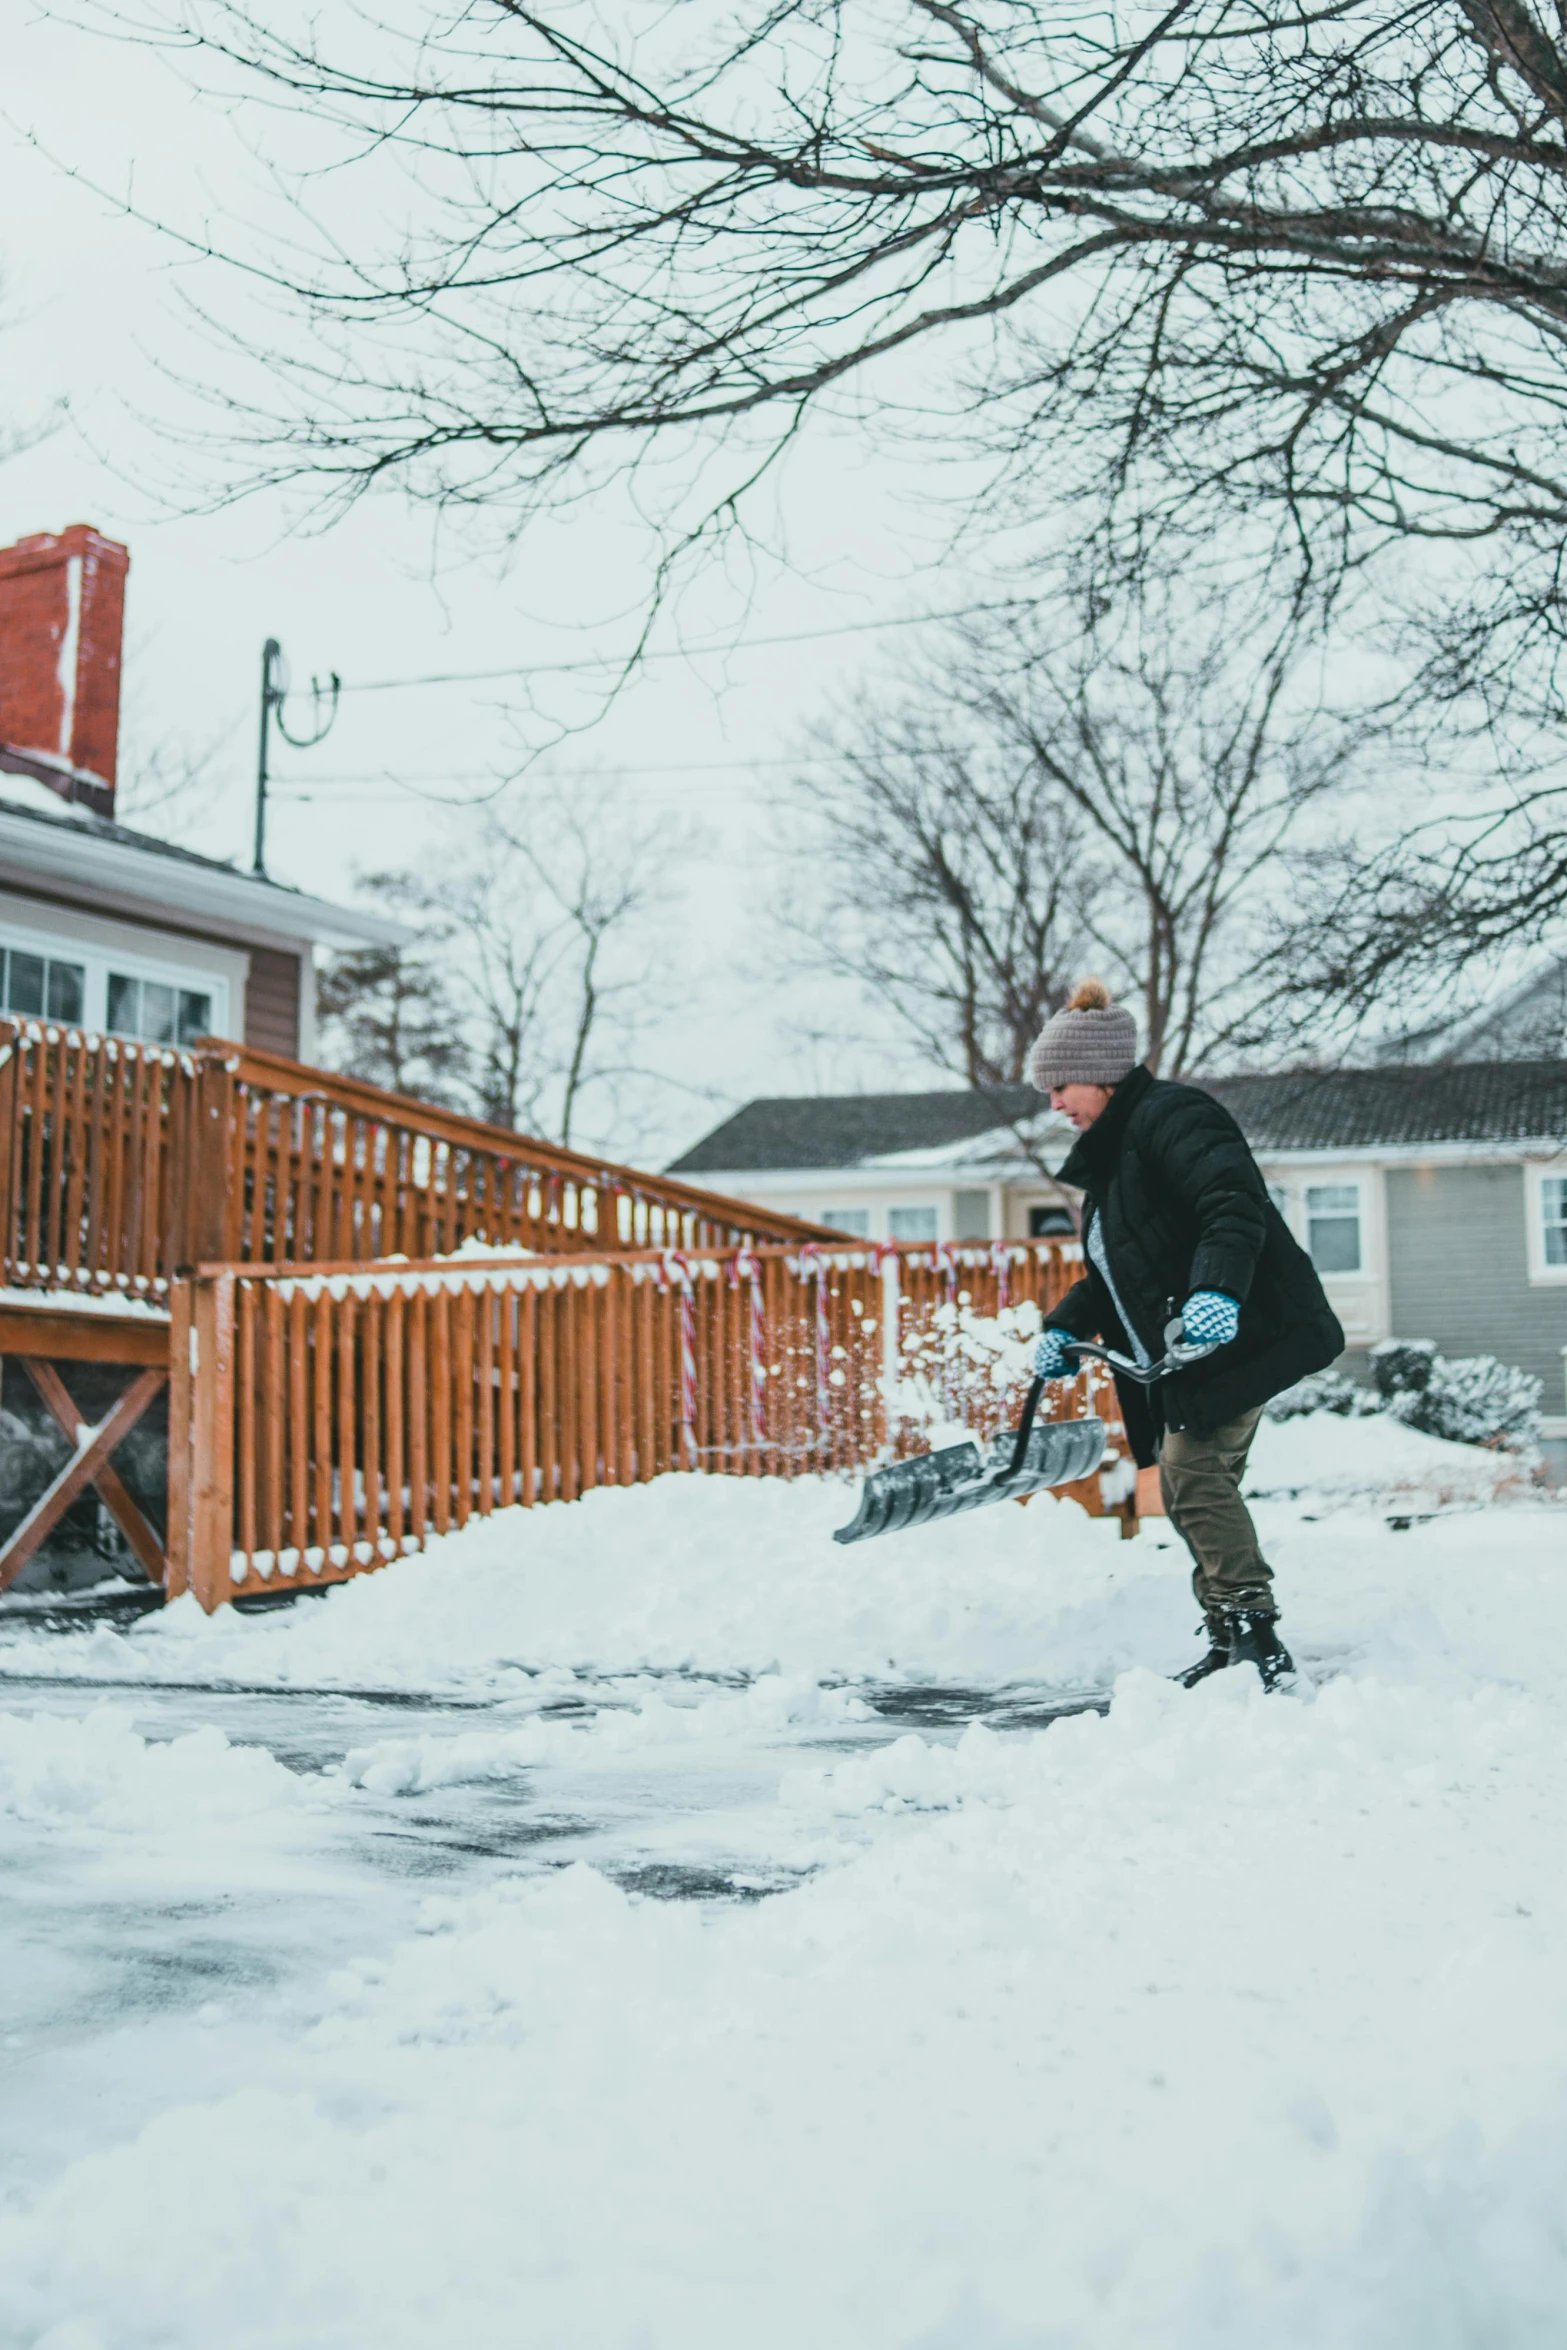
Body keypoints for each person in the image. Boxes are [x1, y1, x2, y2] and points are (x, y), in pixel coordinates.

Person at [1027, 979, 1343, 1688]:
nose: (1053, 1104)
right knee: (1188, 1484)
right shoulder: (1115, 1162)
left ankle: (1255, 1636)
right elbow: (1117, 1275)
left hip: (1241, 1333)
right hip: (1186, 1352)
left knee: (1193, 1477)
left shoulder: (1174, 1117)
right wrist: (1063, 1329)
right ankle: (1231, 1634)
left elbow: (1230, 1206)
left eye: (1060, 1086)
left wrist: (1215, 1292)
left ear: (1103, 1075)